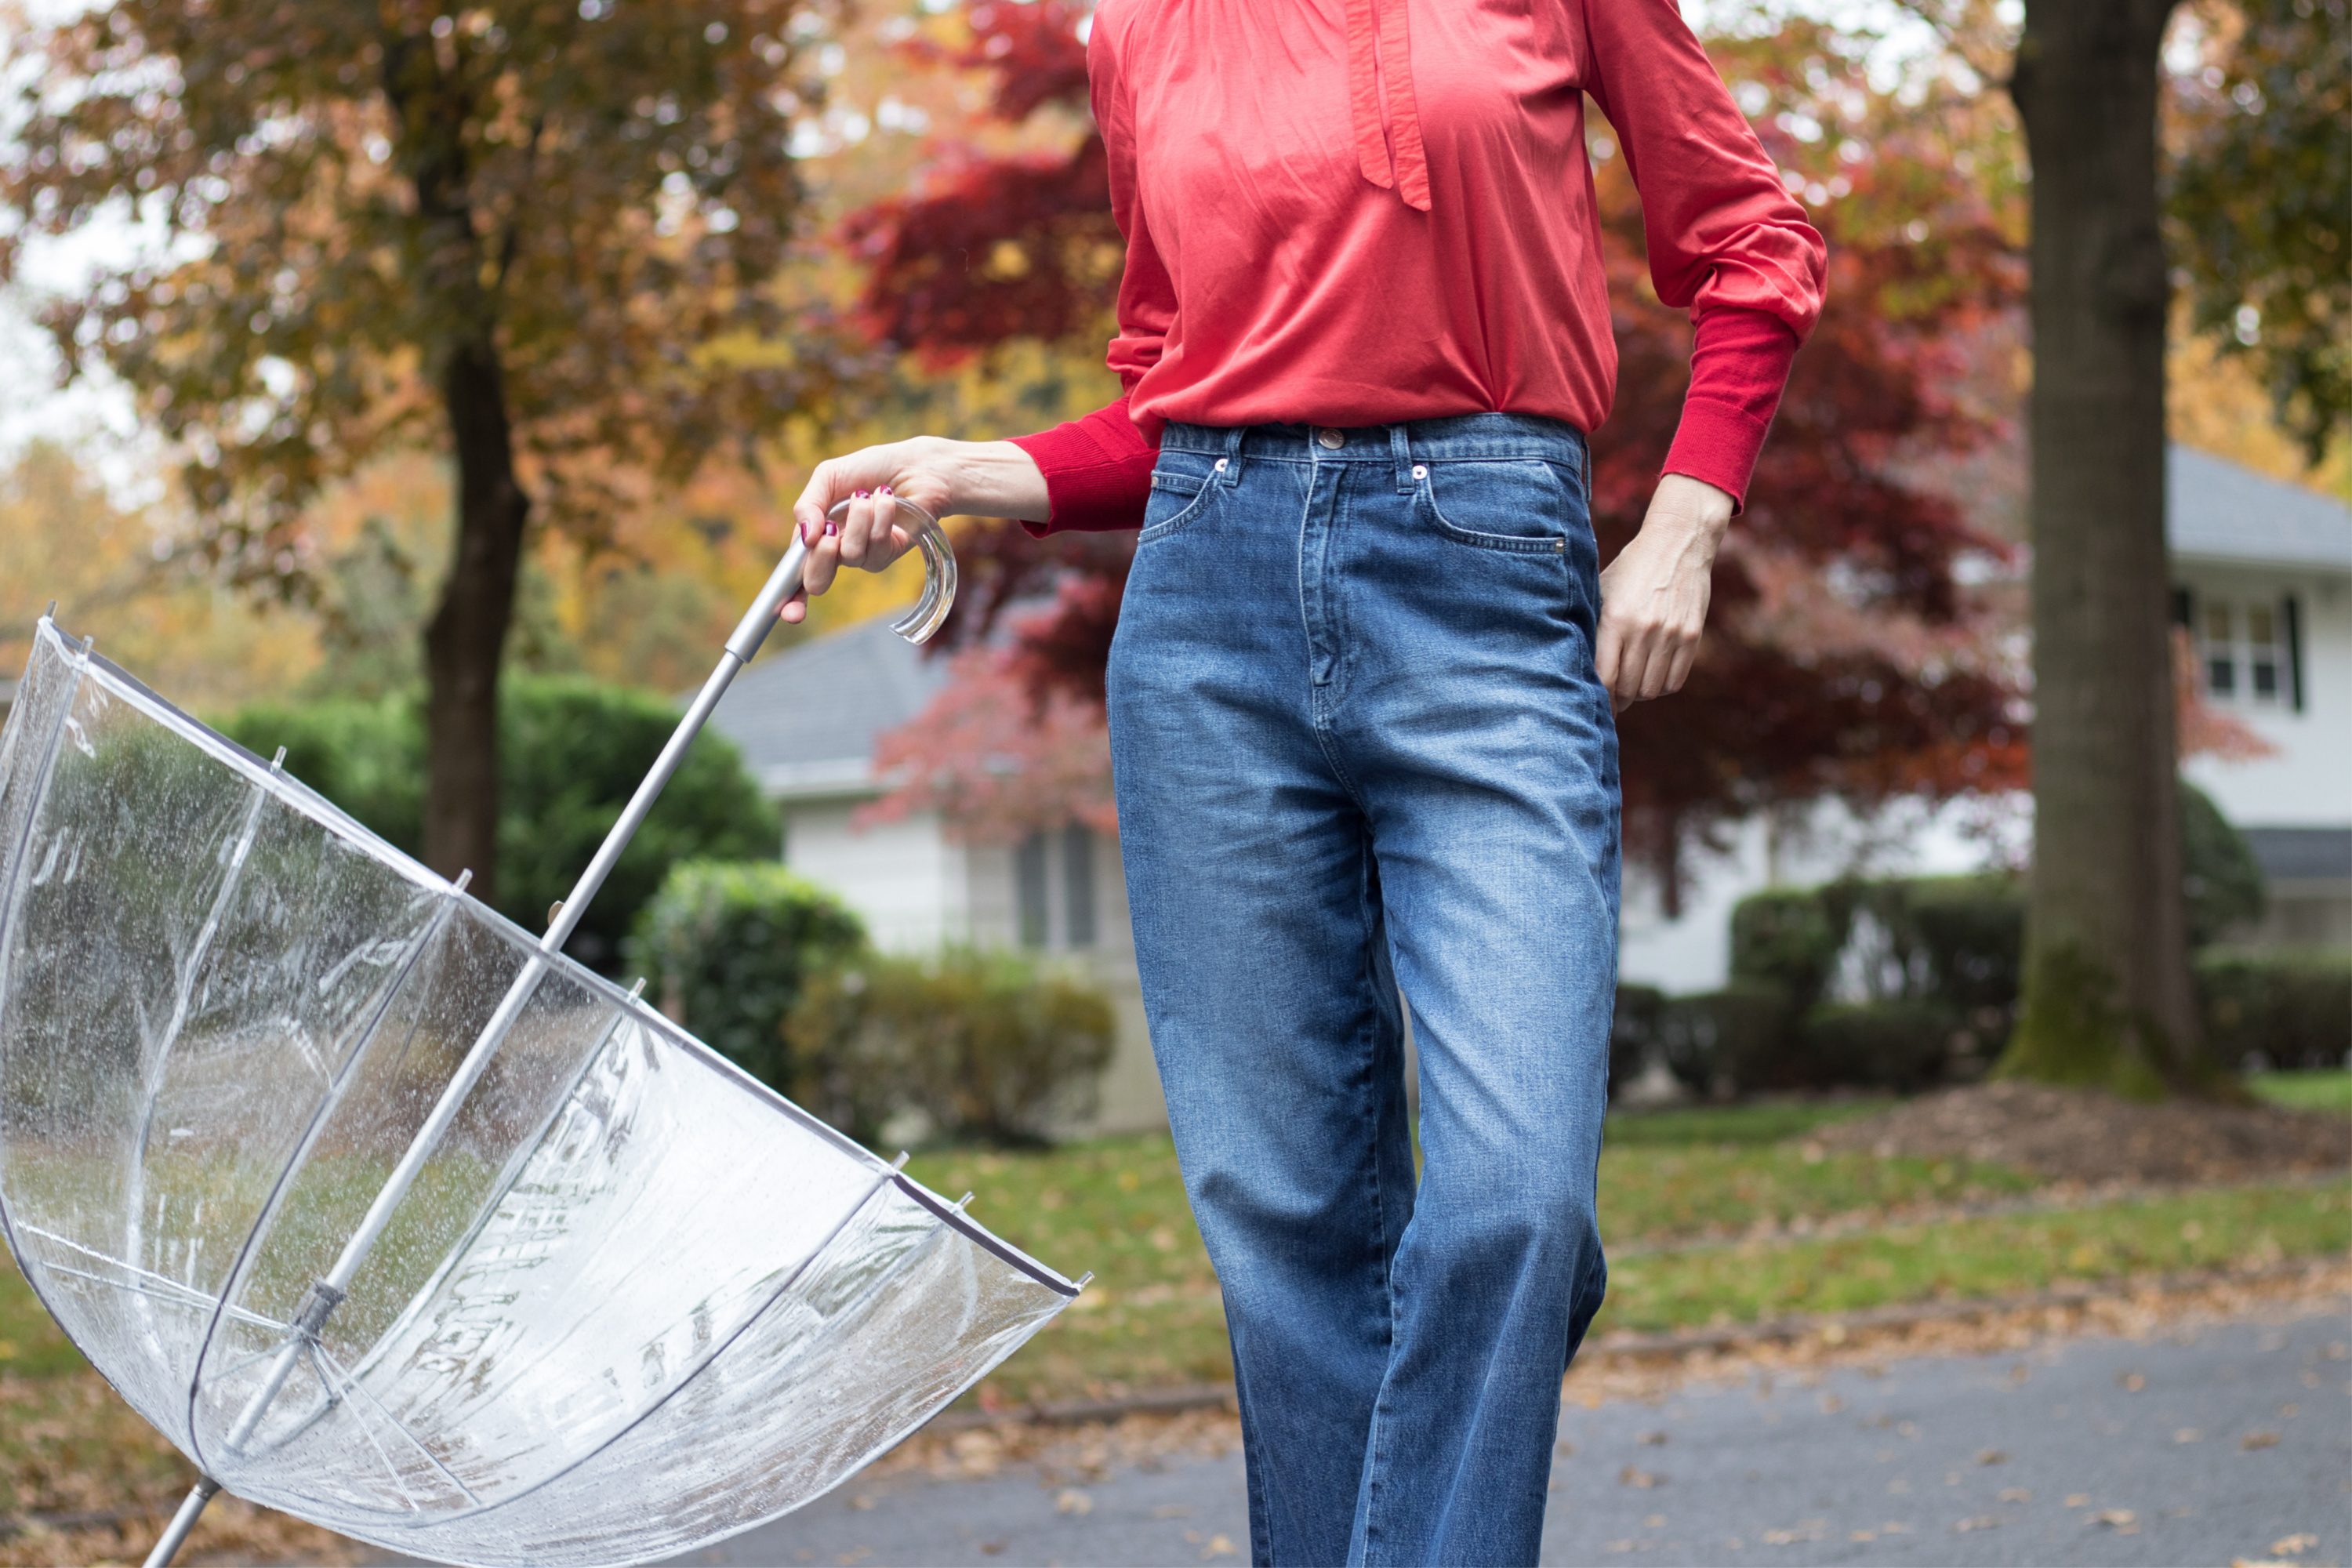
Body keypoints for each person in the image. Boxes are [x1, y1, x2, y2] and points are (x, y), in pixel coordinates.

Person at [786, 1, 1824, 1560]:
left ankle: (1495, 1319)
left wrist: (1685, 520)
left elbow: (1754, 240)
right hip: (1209, 607)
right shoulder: (1137, 28)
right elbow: (1179, 389)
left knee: (1517, 1207)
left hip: (1484, 572)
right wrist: (962, 470)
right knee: (1287, 1225)